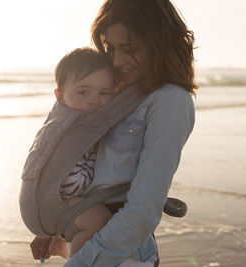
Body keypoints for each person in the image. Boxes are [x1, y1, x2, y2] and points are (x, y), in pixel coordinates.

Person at [32, 0, 197, 266]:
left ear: (160, 43)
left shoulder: (170, 101)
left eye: (129, 49)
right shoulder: (116, 93)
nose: (117, 61)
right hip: (90, 237)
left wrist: (81, 262)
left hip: (122, 254)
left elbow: (142, 211)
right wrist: (57, 223)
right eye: (110, 48)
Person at [30, 47, 117, 260]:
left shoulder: (91, 123)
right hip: (57, 201)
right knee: (98, 219)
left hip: (75, 196)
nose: (95, 99)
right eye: (83, 92)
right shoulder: (60, 128)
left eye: (104, 93)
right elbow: (38, 170)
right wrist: (39, 225)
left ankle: (61, 246)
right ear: (60, 97)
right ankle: (77, 262)